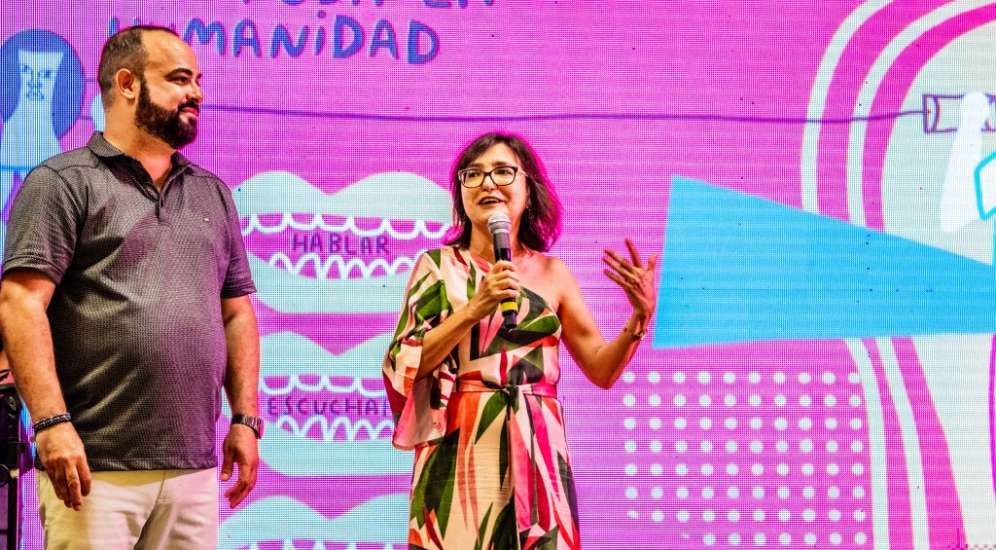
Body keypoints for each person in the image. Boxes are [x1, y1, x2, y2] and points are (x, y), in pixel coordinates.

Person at [0, 25, 261, 549]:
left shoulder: (212, 193)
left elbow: (235, 313)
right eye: (179, 79)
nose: (196, 93)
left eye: (198, 81)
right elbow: (20, 302)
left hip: (192, 465)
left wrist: (246, 419)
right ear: (127, 84)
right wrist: (50, 423)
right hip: (92, 464)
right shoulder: (62, 182)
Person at [383, 132, 657, 549]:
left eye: (502, 172)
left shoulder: (553, 273)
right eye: (473, 174)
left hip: (538, 445)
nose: (487, 183)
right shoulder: (436, 267)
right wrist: (475, 308)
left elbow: (601, 369)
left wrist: (639, 318)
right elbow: (404, 362)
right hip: (461, 445)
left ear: (529, 190)